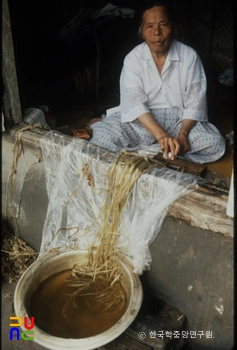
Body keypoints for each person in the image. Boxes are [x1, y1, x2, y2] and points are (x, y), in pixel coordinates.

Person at [88, 1, 225, 164]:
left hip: (179, 120)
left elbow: (195, 102)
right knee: (102, 139)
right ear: (142, 32)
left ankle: (152, 153)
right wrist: (161, 136)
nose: (157, 33)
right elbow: (135, 105)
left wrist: (182, 134)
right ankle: (160, 152)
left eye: (163, 25)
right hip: (142, 121)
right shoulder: (133, 59)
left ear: (172, 27)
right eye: (150, 26)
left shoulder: (189, 56)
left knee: (215, 143)